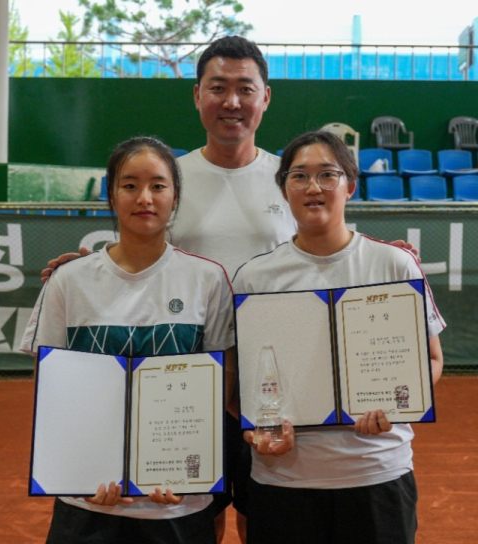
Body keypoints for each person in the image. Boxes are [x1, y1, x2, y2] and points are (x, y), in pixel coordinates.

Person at [40, 36, 419, 544]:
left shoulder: (290, 177)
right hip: (197, 382)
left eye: (246, 88)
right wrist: (84, 266)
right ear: (198, 95)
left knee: (260, 511)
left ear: (266, 97)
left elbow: (331, 251)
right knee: (200, 514)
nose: (232, 102)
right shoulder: (172, 177)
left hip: (287, 384)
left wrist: (392, 273)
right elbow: (138, 250)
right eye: (218, 88)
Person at [232, 129, 445, 544]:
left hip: (377, 475)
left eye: (327, 175)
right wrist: (257, 428)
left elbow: (433, 360)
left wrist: (398, 404)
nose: (313, 187)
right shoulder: (253, 278)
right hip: (283, 483)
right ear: (284, 189)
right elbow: (234, 381)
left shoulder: (395, 265)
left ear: (350, 185)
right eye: (299, 176)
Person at [21, 137, 235, 544]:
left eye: (158, 185)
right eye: (130, 184)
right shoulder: (69, 280)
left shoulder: (207, 279)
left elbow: (220, 383)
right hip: (87, 497)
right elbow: (50, 388)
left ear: (175, 197)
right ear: (112, 194)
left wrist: (188, 473)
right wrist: (75, 471)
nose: (145, 198)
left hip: (175, 501)